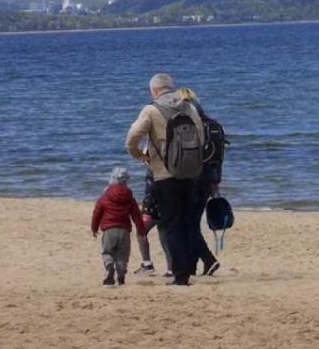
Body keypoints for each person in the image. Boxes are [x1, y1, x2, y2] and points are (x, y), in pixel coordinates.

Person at [125, 73, 204, 286]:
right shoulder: (189, 107)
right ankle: (188, 269)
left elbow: (133, 136)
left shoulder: (151, 109)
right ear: (171, 87)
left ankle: (180, 276)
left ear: (154, 90)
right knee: (188, 221)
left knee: (172, 223)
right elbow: (201, 135)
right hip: (190, 172)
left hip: (164, 173)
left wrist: (139, 155)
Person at [177, 87, 221, 276]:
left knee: (187, 224)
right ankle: (192, 266)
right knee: (193, 223)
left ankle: (208, 259)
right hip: (208, 179)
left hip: (190, 179)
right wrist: (216, 181)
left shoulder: (187, 125)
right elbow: (219, 157)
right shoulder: (213, 125)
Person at [90, 166, 146, 287]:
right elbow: (137, 216)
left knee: (107, 252)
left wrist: (94, 228)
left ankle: (109, 267)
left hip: (109, 230)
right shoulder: (130, 197)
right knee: (122, 256)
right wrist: (141, 230)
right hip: (124, 231)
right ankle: (121, 277)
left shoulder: (105, 196)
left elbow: (97, 213)